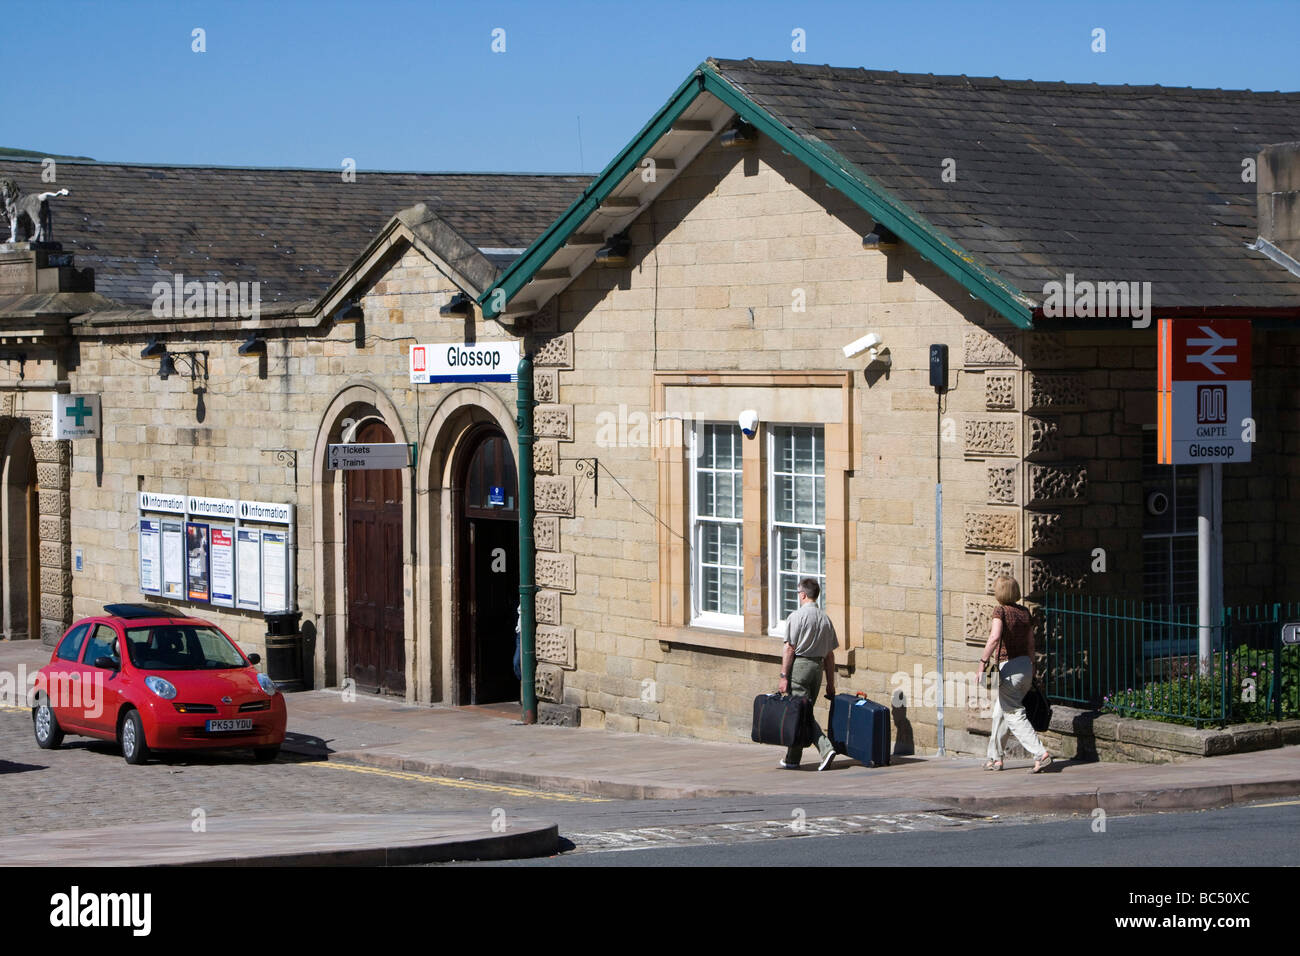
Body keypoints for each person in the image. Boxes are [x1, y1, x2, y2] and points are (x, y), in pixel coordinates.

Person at [980, 575, 1052, 773]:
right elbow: (1031, 644)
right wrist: (1033, 667)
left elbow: (994, 638)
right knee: (999, 713)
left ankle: (1040, 753)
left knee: (1014, 714)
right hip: (1025, 668)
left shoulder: (1000, 611)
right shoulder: (1024, 612)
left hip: (1008, 668)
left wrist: (982, 662)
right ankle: (995, 758)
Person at [777, 577, 838, 771]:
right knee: (803, 712)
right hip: (817, 669)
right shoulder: (825, 619)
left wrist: (784, 676)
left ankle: (826, 748)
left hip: (801, 667)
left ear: (803, 594)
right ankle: (792, 758)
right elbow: (830, 655)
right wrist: (830, 683)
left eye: (798, 593)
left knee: (800, 713)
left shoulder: (797, 616)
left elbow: (789, 649)